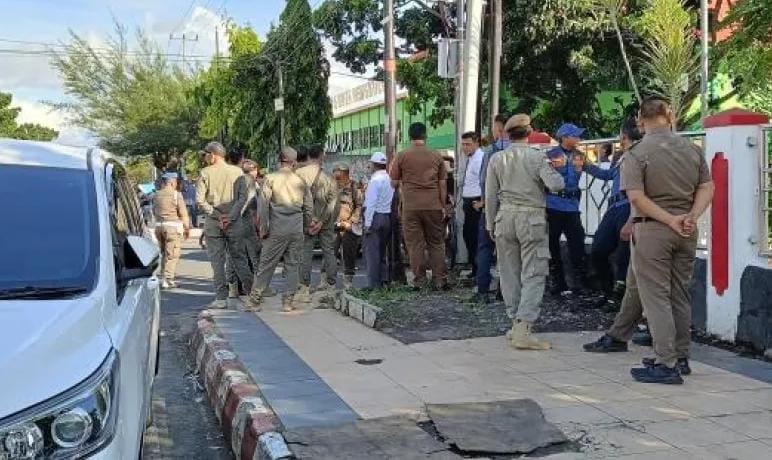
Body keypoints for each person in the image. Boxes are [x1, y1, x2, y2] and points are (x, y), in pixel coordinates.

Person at [623, 97, 713, 384]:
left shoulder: (637, 153)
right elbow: (707, 187)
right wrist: (691, 216)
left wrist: (668, 219)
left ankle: (666, 363)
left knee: (656, 297)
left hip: (653, 229)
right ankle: (681, 357)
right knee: (679, 294)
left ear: (640, 121)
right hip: (686, 229)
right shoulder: (692, 149)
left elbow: (636, 198)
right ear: (670, 116)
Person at [486, 114, 565, 350]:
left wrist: (490, 224)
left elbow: (490, 196)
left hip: (504, 218)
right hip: (532, 219)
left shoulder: (497, 158)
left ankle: (515, 322)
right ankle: (524, 327)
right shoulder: (537, 156)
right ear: (529, 133)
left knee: (509, 273)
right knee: (534, 273)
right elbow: (556, 185)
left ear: (507, 135)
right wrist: (557, 169)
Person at [583, 118, 642, 310]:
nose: (620, 139)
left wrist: (632, 218)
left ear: (624, 136)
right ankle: (607, 291)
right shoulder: (620, 156)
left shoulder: (641, 155)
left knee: (624, 255)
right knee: (598, 250)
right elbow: (608, 175)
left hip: (628, 205)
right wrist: (585, 165)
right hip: (613, 207)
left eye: (621, 136)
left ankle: (619, 297)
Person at [246, 146, 313, 312]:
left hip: (276, 228)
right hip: (296, 228)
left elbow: (263, 206)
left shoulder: (270, 179)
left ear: (280, 160)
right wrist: (305, 226)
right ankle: (288, 302)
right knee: (293, 265)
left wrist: (263, 228)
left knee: (266, 265)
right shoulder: (300, 181)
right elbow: (308, 207)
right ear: (292, 162)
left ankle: (255, 300)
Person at [195, 141, 254, 309]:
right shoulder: (237, 172)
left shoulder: (205, 173)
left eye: (206, 154)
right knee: (240, 259)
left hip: (214, 223)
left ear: (213, 155)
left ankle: (221, 298)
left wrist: (217, 215)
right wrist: (231, 216)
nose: (204, 158)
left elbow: (200, 200)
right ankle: (252, 293)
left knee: (217, 262)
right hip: (234, 222)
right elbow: (243, 198)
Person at [391, 122, 448, 290]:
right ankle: (440, 280)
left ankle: (420, 281)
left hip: (411, 206)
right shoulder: (436, 155)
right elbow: (442, 184)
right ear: (425, 135)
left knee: (415, 245)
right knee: (436, 243)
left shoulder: (402, 156)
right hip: (433, 205)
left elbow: (393, 182)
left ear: (410, 136)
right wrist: (443, 205)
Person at [545, 123, 591, 296]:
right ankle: (558, 282)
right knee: (552, 246)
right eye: (575, 136)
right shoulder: (550, 156)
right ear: (564, 137)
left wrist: (618, 169)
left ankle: (581, 282)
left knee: (578, 243)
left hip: (572, 207)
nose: (578, 138)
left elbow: (600, 173)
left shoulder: (580, 156)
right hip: (553, 205)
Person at [475, 115, 511, 303]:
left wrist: (484, 203)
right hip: (512, 208)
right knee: (509, 251)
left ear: (499, 130)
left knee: (485, 248)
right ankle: (504, 291)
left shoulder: (490, 152)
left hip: (492, 206)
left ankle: (482, 291)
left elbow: (483, 181)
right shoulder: (521, 152)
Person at [296, 144, 338, 301]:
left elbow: (294, 199)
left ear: (308, 156)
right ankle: (331, 286)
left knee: (305, 253)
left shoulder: (298, 175)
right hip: (324, 221)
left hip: (304, 221)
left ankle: (304, 289)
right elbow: (332, 203)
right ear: (322, 156)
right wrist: (321, 221)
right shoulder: (328, 178)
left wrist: (309, 220)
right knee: (329, 252)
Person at [363, 152, 395, 288]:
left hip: (375, 217)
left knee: (372, 254)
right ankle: (384, 281)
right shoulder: (389, 179)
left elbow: (371, 203)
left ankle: (373, 286)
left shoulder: (374, 181)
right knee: (382, 252)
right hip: (387, 217)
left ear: (374, 165)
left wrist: (367, 223)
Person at [153, 172, 190, 289]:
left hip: (159, 227)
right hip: (172, 228)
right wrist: (187, 228)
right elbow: (183, 214)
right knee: (172, 254)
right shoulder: (176, 195)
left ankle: (163, 276)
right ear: (172, 182)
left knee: (164, 253)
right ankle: (168, 279)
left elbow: (153, 211)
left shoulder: (156, 195)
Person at [333, 162, 364, 290]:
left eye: (338, 173)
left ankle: (348, 283)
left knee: (349, 254)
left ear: (345, 174)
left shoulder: (353, 186)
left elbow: (359, 206)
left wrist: (351, 221)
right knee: (330, 253)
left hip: (347, 225)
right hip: (333, 225)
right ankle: (327, 283)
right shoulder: (331, 186)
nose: (336, 175)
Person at [229, 159, 262, 273]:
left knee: (238, 254)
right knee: (254, 253)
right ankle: (256, 280)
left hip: (239, 220)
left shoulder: (239, 180)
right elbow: (246, 202)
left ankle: (233, 281)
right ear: (254, 170)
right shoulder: (250, 182)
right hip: (247, 220)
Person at [460, 131, 485, 279]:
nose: (465, 147)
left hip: (476, 201)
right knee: (468, 235)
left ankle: (479, 271)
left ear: (476, 143)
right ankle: (475, 269)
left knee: (474, 237)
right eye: (463, 144)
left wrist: (482, 201)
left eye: (468, 144)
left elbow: (486, 181)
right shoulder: (471, 158)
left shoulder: (480, 158)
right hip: (469, 201)